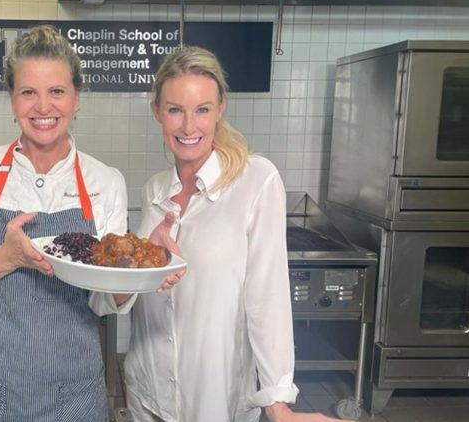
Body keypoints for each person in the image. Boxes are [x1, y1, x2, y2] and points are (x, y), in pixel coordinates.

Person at [124, 46, 351, 422]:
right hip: (148, 392)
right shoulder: (154, 191)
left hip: (215, 396)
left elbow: (267, 298)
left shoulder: (256, 181)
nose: (188, 127)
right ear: (157, 112)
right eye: (175, 110)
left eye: (202, 109)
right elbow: (142, 293)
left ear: (220, 109)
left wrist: (278, 403)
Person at [0, 24, 133, 422]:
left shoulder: (105, 182)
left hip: (75, 399)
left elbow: (105, 301)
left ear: (76, 98)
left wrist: (135, 272)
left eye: (57, 91)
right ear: (11, 98)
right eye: (28, 92)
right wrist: (6, 257)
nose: (43, 107)